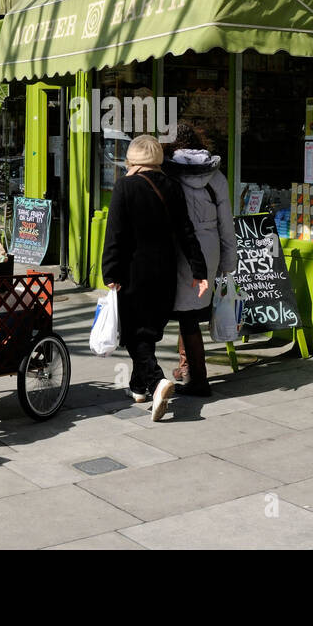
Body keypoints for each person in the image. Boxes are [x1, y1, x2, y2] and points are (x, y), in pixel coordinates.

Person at [101, 134, 208, 421]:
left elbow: (115, 234)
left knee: (137, 335)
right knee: (147, 332)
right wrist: (199, 271)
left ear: (132, 161)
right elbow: (187, 231)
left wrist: (110, 271)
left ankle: (156, 382)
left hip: (134, 273)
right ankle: (139, 387)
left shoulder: (125, 187)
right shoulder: (172, 186)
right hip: (165, 273)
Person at [164, 124, 236, 396]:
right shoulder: (216, 177)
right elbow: (226, 225)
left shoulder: (168, 173)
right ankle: (188, 369)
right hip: (209, 249)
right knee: (191, 313)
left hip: (179, 249)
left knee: (186, 316)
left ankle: (198, 378)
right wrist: (229, 261)